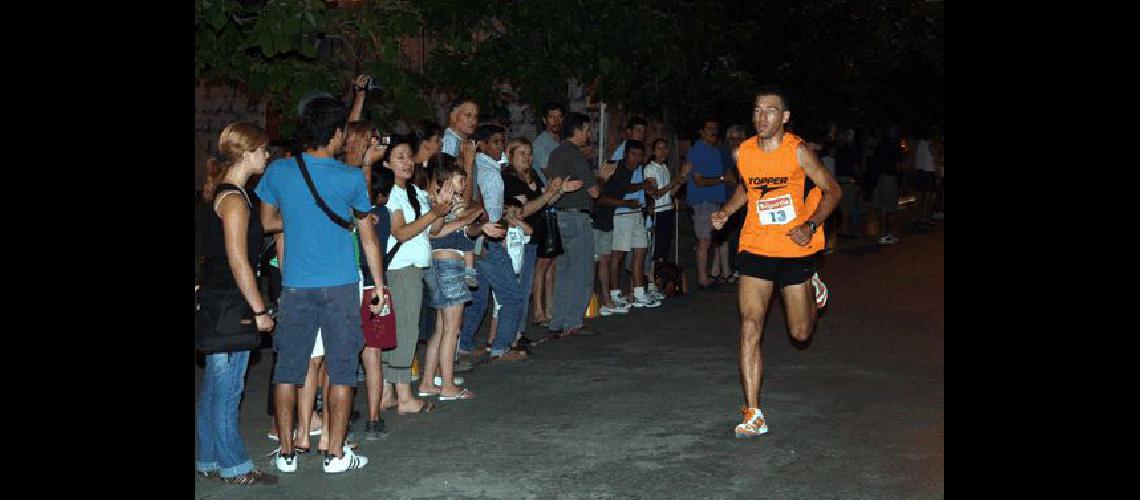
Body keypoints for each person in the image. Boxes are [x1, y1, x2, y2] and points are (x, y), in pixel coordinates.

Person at [256, 97, 386, 473]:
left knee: (288, 370)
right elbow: (367, 237)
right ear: (334, 134)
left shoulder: (280, 171)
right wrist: (378, 285)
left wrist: (298, 221)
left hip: (295, 284)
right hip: (341, 285)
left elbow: (266, 222)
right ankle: (335, 454)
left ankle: (286, 454)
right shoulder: (348, 178)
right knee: (342, 370)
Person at [710, 89, 841, 439]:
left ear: (784, 118)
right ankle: (753, 412)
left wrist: (811, 225)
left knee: (800, 333)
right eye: (757, 110)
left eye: (770, 111)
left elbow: (833, 190)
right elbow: (748, 190)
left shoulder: (798, 151)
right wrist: (726, 211)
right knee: (750, 325)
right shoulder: (745, 152)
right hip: (755, 248)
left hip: (795, 250)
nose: (762, 117)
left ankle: (813, 288)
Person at [196, 122, 278, 485]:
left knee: (216, 388)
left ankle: (208, 458)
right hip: (230, 303)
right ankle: (235, 466)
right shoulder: (233, 199)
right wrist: (259, 310)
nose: (267, 156)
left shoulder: (230, 194)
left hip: (219, 301)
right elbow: (238, 260)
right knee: (228, 390)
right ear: (246, 154)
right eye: (263, 150)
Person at [381, 135, 450, 413]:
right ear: (386, 163)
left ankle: (387, 394)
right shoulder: (392, 194)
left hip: (413, 268)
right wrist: (433, 214)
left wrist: (441, 207)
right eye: (400, 157)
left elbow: (432, 230)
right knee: (405, 332)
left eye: (409, 156)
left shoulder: (415, 191)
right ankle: (405, 397)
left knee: (396, 332)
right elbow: (401, 232)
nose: (408, 162)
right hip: (401, 270)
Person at [457, 123, 530, 362]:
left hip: (479, 240)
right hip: (488, 240)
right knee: (512, 295)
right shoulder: (486, 171)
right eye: (496, 142)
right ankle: (501, 346)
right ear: (483, 145)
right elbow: (482, 208)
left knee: (478, 299)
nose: (501, 147)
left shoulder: (483, 167)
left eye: (502, 141)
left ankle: (465, 345)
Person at [419, 156, 489, 400]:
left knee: (441, 329)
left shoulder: (449, 201)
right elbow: (435, 233)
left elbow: (465, 230)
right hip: (447, 263)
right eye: (460, 179)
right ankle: (448, 386)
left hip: (447, 262)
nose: (463, 184)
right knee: (452, 329)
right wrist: (464, 218)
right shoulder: (438, 201)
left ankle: (429, 381)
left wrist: (478, 225)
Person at [545, 112, 618, 337]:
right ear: (576, 130)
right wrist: (603, 177)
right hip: (577, 218)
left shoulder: (556, 154)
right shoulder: (575, 156)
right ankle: (573, 322)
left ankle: (558, 321)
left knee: (565, 271)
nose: (589, 134)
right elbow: (594, 191)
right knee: (582, 271)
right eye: (586, 130)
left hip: (560, 215)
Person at [502, 138, 572, 345]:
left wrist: (560, 190)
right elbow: (524, 210)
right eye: (521, 153)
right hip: (518, 239)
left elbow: (546, 202)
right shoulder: (510, 179)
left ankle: (519, 331)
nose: (527, 157)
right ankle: (513, 334)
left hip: (533, 237)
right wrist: (549, 194)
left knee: (525, 287)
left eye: (529, 153)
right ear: (511, 155)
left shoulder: (532, 176)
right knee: (519, 288)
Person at [608, 140, 661, 308]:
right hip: (622, 214)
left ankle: (639, 293)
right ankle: (614, 293)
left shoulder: (638, 168)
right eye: (633, 154)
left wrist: (647, 192)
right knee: (618, 255)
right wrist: (642, 186)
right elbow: (620, 188)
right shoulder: (619, 168)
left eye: (639, 155)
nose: (636, 158)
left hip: (637, 212)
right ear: (625, 154)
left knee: (641, 250)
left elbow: (640, 187)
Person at [530, 103, 565, 326]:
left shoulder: (559, 143)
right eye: (551, 117)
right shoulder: (542, 143)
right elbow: (550, 174)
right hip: (544, 204)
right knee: (543, 262)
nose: (556, 121)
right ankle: (538, 310)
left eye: (559, 117)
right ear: (545, 120)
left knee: (552, 260)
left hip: (556, 204)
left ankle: (551, 308)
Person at [686, 118, 730, 288]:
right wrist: (722, 179)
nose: (713, 131)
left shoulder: (715, 151)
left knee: (710, 240)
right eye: (709, 128)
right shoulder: (697, 150)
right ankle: (703, 278)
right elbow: (699, 181)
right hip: (702, 201)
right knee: (704, 240)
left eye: (715, 128)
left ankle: (708, 275)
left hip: (715, 201)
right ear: (701, 131)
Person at [643, 138, 690, 298]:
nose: (662, 152)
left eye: (665, 148)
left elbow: (669, 193)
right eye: (659, 148)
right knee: (654, 250)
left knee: (663, 249)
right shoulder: (650, 169)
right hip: (657, 212)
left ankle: (658, 283)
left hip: (667, 210)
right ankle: (650, 284)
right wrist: (675, 181)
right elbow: (656, 193)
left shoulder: (664, 168)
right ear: (653, 151)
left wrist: (681, 180)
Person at [868, 127, 904, 244]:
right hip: (889, 179)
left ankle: (885, 234)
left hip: (879, 178)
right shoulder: (895, 148)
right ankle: (884, 235)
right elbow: (898, 167)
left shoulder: (880, 146)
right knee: (887, 208)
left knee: (882, 206)